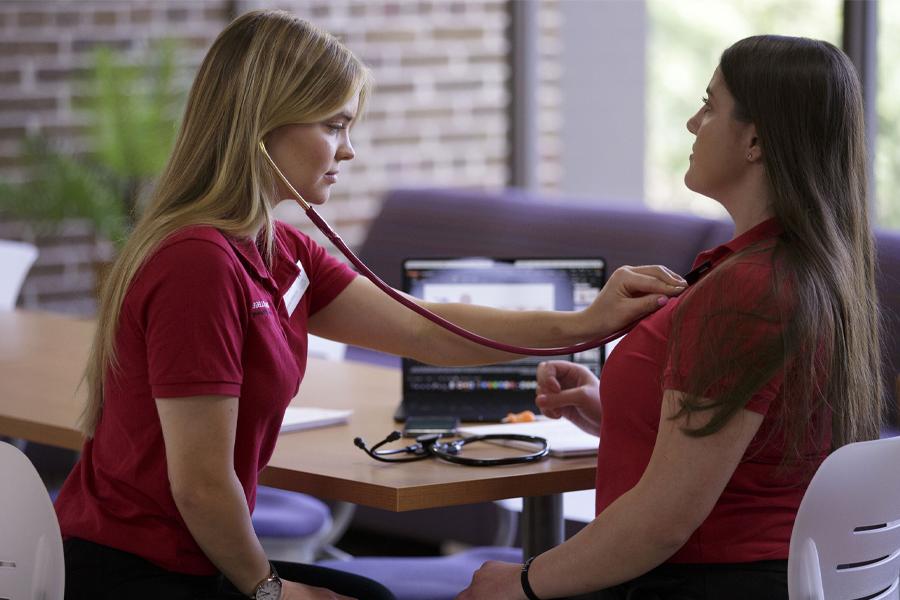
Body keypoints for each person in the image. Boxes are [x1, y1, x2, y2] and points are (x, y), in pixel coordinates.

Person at [53, 10, 686, 600]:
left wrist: (583, 324)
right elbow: (199, 483)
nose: (348, 151)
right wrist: (271, 590)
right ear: (261, 128)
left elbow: (426, 329)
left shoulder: (283, 251)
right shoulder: (198, 263)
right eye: (334, 126)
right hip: (135, 569)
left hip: (194, 556)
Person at [458, 34, 883, 600]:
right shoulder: (799, 269)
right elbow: (752, 446)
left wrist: (524, 581)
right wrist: (614, 410)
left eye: (709, 105)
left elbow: (662, 524)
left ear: (755, 138)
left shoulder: (748, 289)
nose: (691, 122)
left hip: (693, 582)